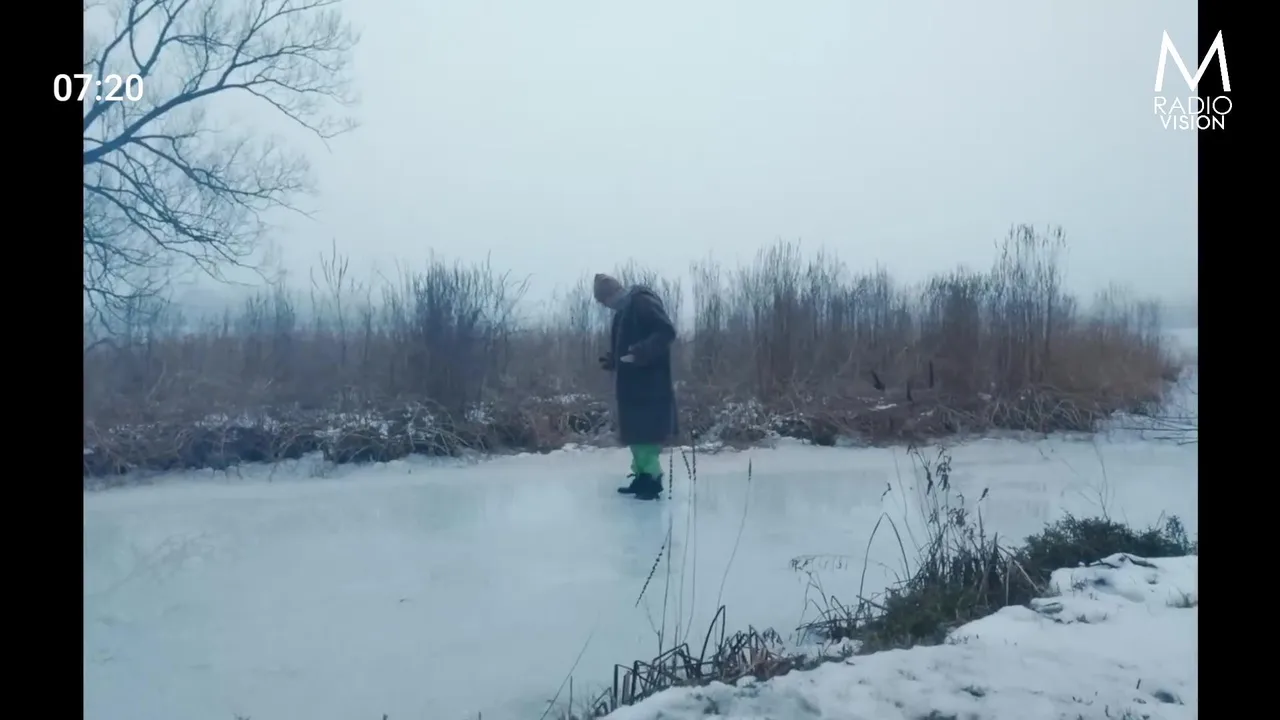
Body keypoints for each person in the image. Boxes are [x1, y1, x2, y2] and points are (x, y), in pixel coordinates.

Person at [594, 273, 678, 500]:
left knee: (647, 439)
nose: (606, 306)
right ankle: (641, 478)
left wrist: (641, 352)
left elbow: (666, 331)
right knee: (636, 438)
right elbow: (625, 349)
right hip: (632, 388)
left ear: (613, 293)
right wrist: (614, 361)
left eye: (604, 301)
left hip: (650, 386)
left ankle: (653, 481)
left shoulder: (642, 301)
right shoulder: (622, 312)